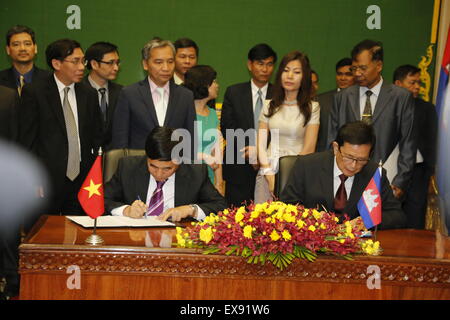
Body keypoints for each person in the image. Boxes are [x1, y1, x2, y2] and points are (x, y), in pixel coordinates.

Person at [18, 38, 103, 216]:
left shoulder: (89, 94)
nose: (82, 67)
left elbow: (96, 137)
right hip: (46, 180)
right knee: (46, 234)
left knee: (79, 234)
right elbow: (27, 141)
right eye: (75, 61)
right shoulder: (35, 92)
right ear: (56, 63)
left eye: (83, 61)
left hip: (83, 180)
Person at [327, 39, 417, 200]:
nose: (357, 73)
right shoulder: (342, 98)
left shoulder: (400, 97)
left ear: (379, 66)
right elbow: (332, 140)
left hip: (387, 182)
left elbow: (408, 144)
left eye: (363, 68)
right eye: (354, 69)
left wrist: (400, 183)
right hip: (346, 181)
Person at [281, 121, 406, 230]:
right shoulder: (306, 166)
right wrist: (312, 217)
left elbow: (396, 216)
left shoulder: (374, 173)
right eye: (349, 157)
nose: (353, 165)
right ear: (336, 148)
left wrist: (366, 221)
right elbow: (286, 206)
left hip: (356, 248)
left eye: (361, 160)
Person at [105, 126, 227, 222]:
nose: (159, 174)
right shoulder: (128, 167)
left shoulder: (196, 173)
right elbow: (102, 199)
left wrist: (190, 210)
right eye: (152, 166)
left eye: (167, 169)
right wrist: (126, 210)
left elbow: (220, 205)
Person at [255, 50, 320, 203]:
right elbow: (261, 144)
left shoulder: (313, 108)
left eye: (296, 72)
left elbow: (309, 149)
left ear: (304, 77)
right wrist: (268, 172)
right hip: (267, 170)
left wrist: (289, 177)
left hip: (296, 174)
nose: (289, 76)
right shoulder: (268, 105)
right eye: (286, 70)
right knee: (262, 221)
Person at [220, 43, 277, 207]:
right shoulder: (234, 92)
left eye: (269, 64)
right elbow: (227, 127)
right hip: (238, 164)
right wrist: (250, 150)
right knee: (235, 220)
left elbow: (279, 130)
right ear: (250, 65)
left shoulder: (279, 94)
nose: (265, 69)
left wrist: (260, 152)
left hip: (271, 166)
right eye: (260, 63)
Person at [112, 38, 195, 150]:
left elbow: (190, 140)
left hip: (175, 165)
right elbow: (120, 140)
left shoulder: (186, 96)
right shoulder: (129, 94)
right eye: (159, 62)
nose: (166, 68)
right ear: (145, 64)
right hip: (138, 164)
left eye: (170, 62)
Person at [393, 64, 438, 229]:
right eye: (412, 82)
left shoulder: (427, 109)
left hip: (417, 171)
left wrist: (430, 171)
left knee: (415, 213)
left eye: (419, 83)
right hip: (391, 169)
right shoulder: (387, 106)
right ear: (398, 84)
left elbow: (431, 141)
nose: (417, 87)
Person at [183, 65, 224, 195]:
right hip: (186, 177)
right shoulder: (183, 113)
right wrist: (204, 156)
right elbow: (177, 150)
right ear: (204, 84)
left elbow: (217, 152)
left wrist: (219, 183)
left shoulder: (213, 114)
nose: (217, 85)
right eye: (214, 81)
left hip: (209, 179)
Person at [84, 42, 123, 151]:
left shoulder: (122, 92)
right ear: (94, 64)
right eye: (110, 63)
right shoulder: (78, 91)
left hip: (113, 156)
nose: (116, 68)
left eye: (117, 62)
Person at [316, 57, 355, 152]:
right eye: (339, 74)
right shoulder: (320, 100)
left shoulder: (360, 101)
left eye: (348, 74)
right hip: (324, 154)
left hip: (352, 153)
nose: (343, 78)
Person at [0, 25, 50, 94]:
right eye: (16, 44)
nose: (22, 49)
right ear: (8, 50)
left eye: (27, 44)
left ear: (35, 48)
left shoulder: (50, 80)